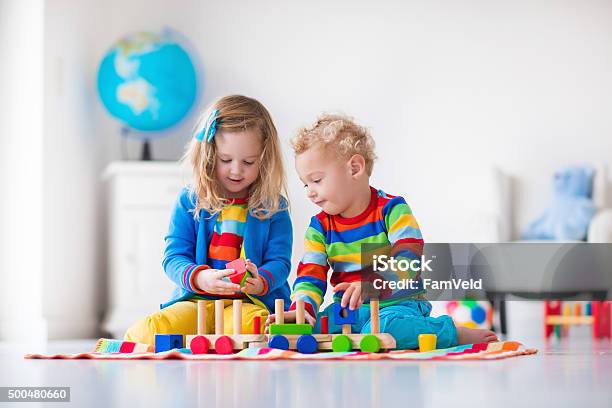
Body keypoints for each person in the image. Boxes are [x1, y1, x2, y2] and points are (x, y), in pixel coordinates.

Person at [266, 114, 497, 349]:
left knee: (386, 328)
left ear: (355, 168)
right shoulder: (319, 227)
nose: (310, 193)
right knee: (307, 329)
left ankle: (448, 332)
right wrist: (303, 307)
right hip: (349, 313)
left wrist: (369, 285)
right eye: (306, 184)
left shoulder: (392, 210)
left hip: (396, 305)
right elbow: (310, 274)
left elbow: (409, 258)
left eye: (316, 180)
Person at [125, 95, 292, 346]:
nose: (236, 170)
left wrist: (261, 283)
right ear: (210, 155)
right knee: (148, 332)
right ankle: (214, 338)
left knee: (255, 328)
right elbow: (173, 258)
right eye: (226, 160)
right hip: (197, 301)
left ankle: (223, 339)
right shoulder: (190, 200)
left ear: (264, 160)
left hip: (248, 302)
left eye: (248, 162)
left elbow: (280, 261)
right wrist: (200, 278)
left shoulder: (274, 206)